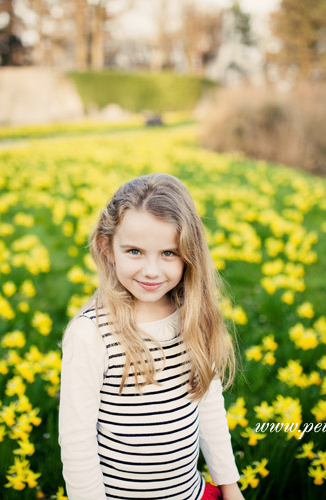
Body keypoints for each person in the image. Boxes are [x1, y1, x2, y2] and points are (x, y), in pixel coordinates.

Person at [59, 173, 244, 499]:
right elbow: (77, 442)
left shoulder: (193, 318)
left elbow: (209, 408)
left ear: (190, 254)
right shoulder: (91, 334)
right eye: (134, 251)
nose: (151, 271)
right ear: (107, 247)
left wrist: (230, 488)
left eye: (168, 253)